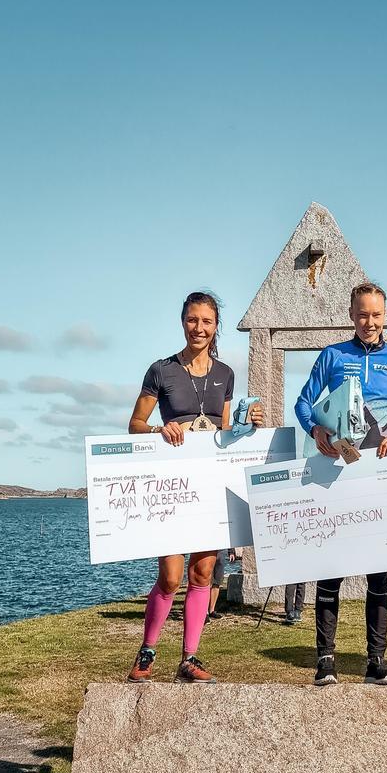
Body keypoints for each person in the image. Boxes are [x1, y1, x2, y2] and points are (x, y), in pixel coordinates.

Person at [126, 291, 263, 684]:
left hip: (210, 486)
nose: (199, 328)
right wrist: (158, 428)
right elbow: (134, 424)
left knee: (202, 574)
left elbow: (225, 431)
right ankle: (148, 651)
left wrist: (248, 425)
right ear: (182, 322)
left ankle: (189, 659)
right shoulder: (161, 370)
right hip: (171, 486)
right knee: (170, 576)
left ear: (216, 325)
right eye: (192, 320)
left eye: (206, 321)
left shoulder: (226, 374)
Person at [295, 282, 387, 686]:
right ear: (351, 314)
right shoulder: (332, 355)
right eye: (362, 314)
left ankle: (375, 662)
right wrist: (315, 430)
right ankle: (325, 660)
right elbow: (303, 402)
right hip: (338, 470)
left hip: (378, 474)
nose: (369, 322)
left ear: (386, 315)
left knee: (378, 573)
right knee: (330, 569)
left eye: (376, 315)